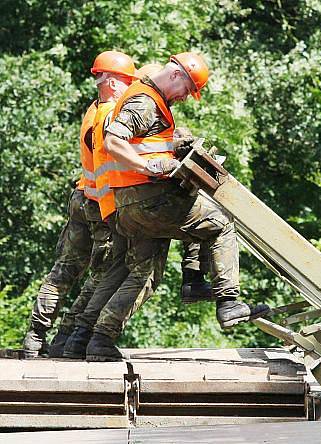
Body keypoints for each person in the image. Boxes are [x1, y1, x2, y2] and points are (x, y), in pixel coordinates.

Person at [84, 52, 269, 361]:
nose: (185, 98)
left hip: (128, 207)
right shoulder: (145, 102)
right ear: (175, 76)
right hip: (146, 200)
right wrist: (148, 167)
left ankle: (100, 340)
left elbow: (146, 141)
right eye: (187, 90)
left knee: (145, 275)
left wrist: (176, 146)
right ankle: (228, 302)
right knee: (219, 222)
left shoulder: (153, 100)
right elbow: (113, 142)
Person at [21, 51, 136, 358]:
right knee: (101, 272)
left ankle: (35, 337)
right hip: (100, 207)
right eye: (128, 82)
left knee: (64, 271)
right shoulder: (112, 115)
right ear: (111, 82)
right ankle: (69, 338)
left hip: (82, 197)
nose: (132, 90)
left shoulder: (93, 108)